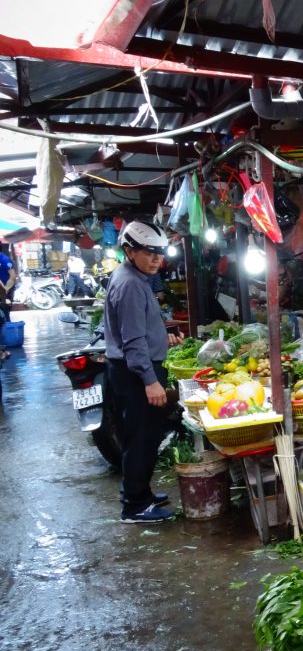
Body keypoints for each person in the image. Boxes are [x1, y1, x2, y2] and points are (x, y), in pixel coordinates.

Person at [103, 222, 180, 524]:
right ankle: (135, 506)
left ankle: (141, 494)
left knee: (145, 436)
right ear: (129, 251)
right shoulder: (131, 284)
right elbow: (133, 341)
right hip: (134, 374)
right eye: (149, 253)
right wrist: (150, 381)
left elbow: (140, 330)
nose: (156, 259)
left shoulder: (135, 277)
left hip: (134, 368)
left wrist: (163, 337)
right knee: (140, 438)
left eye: (159, 253)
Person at [0, 241, 14, 321]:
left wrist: (5, 289)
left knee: (4, 312)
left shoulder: (4, 260)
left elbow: (12, 276)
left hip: (6, 290)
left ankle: (7, 328)